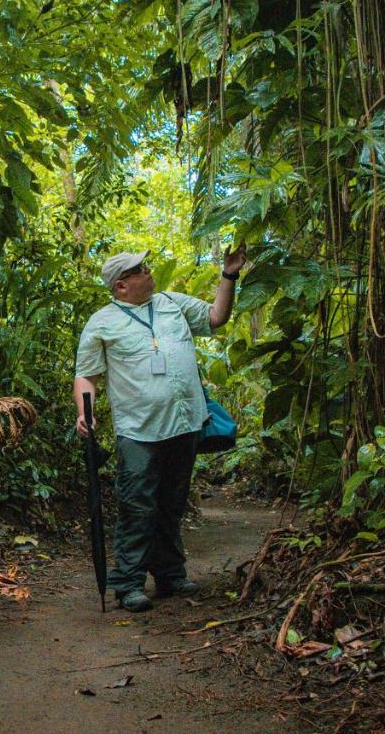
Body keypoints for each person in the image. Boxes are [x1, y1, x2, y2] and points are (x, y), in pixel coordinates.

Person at [73, 245, 246, 613]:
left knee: (172, 502)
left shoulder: (172, 303)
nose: (149, 271)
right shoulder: (102, 322)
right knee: (137, 504)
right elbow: (86, 375)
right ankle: (129, 582)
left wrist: (228, 274)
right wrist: (83, 412)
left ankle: (170, 574)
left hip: (184, 424)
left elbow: (216, 317)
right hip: (139, 430)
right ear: (121, 286)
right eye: (141, 269)